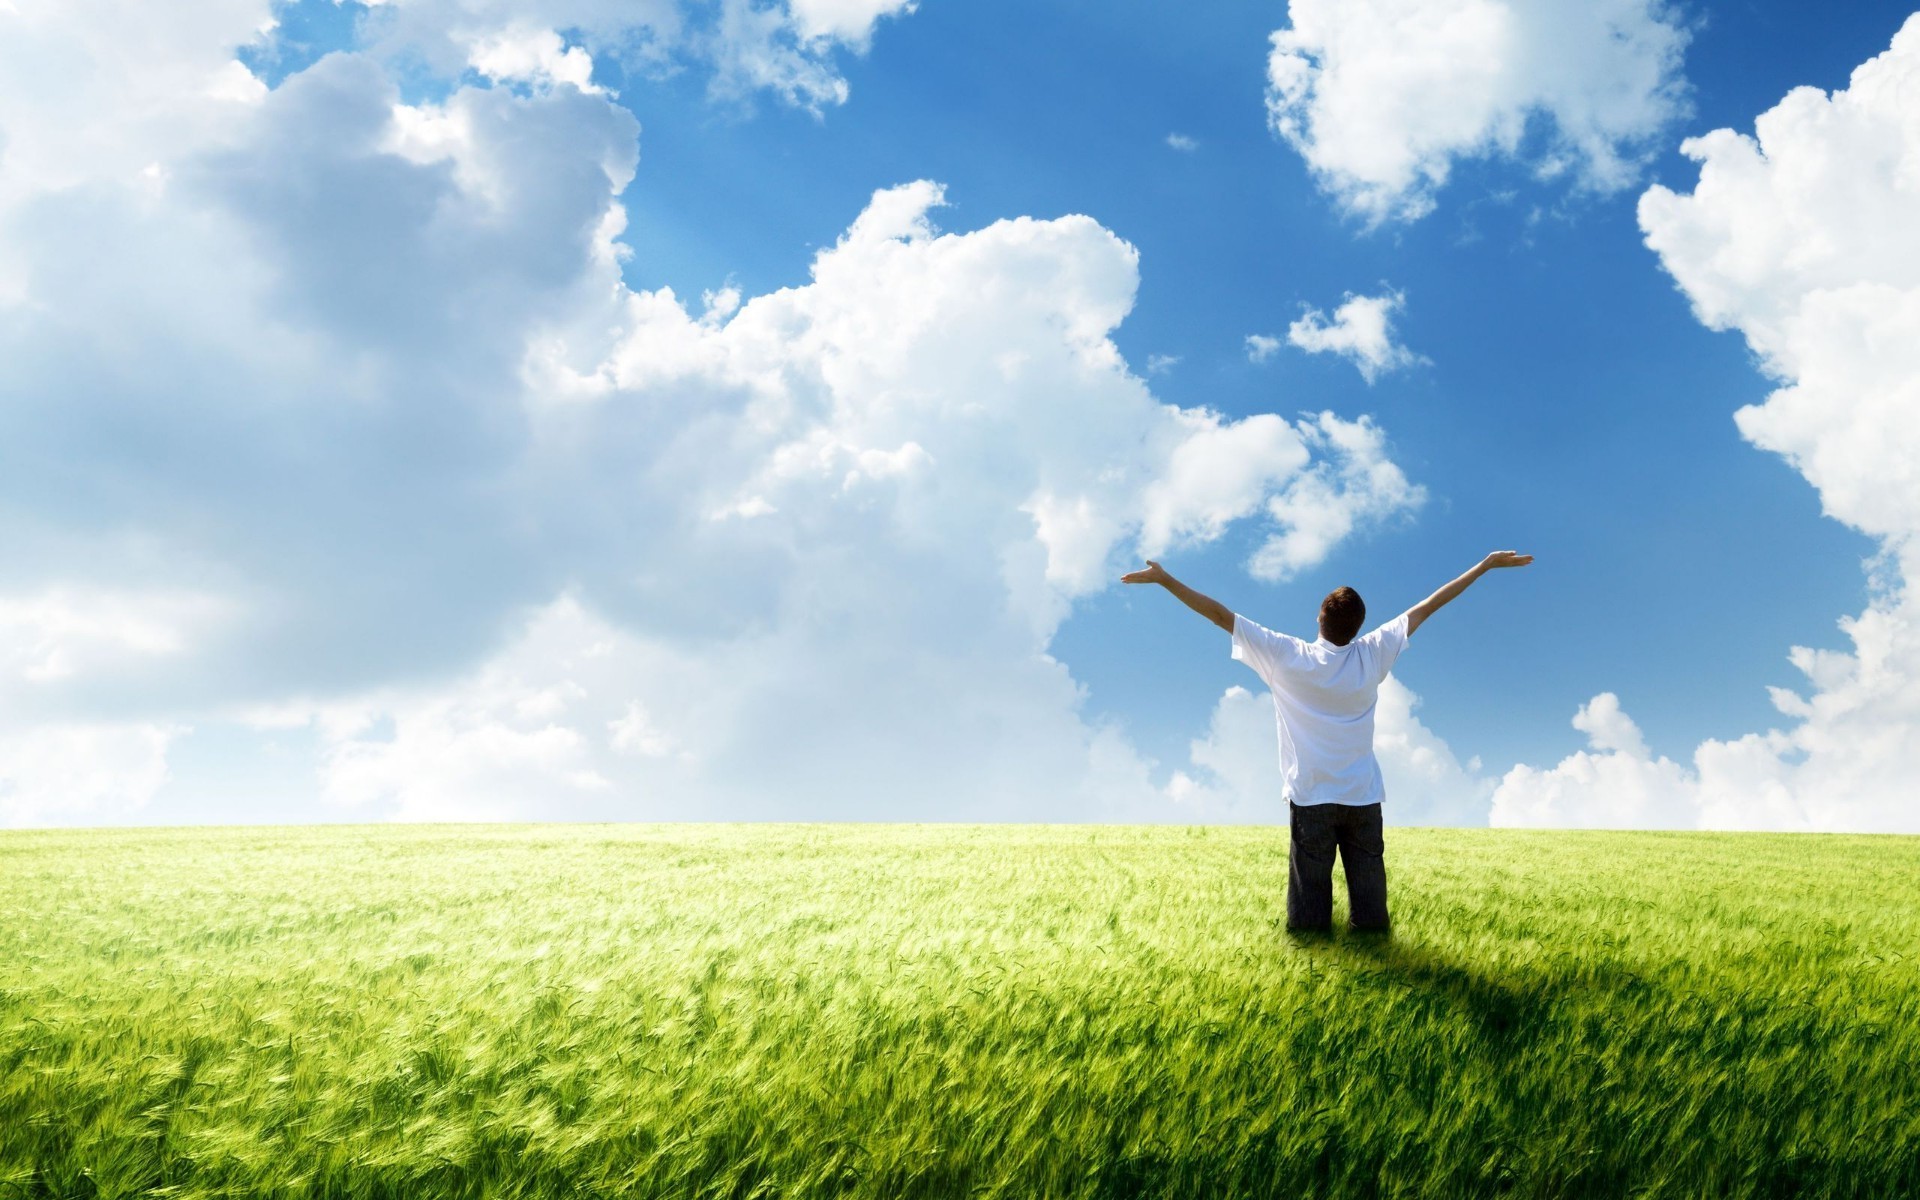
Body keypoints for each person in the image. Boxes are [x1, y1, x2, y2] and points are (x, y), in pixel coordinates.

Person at [1121, 551, 1534, 933]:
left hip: (1312, 796)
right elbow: (1428, 606)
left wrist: (1164, 579)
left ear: (1319, 618)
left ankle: (1312, 957)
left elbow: (1218, 615)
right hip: (1362, 796)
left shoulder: (1286, 656)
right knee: (1372, 912)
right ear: (1359, 627)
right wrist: (1484, 566)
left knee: (1308, 917)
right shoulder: (1373, 654)